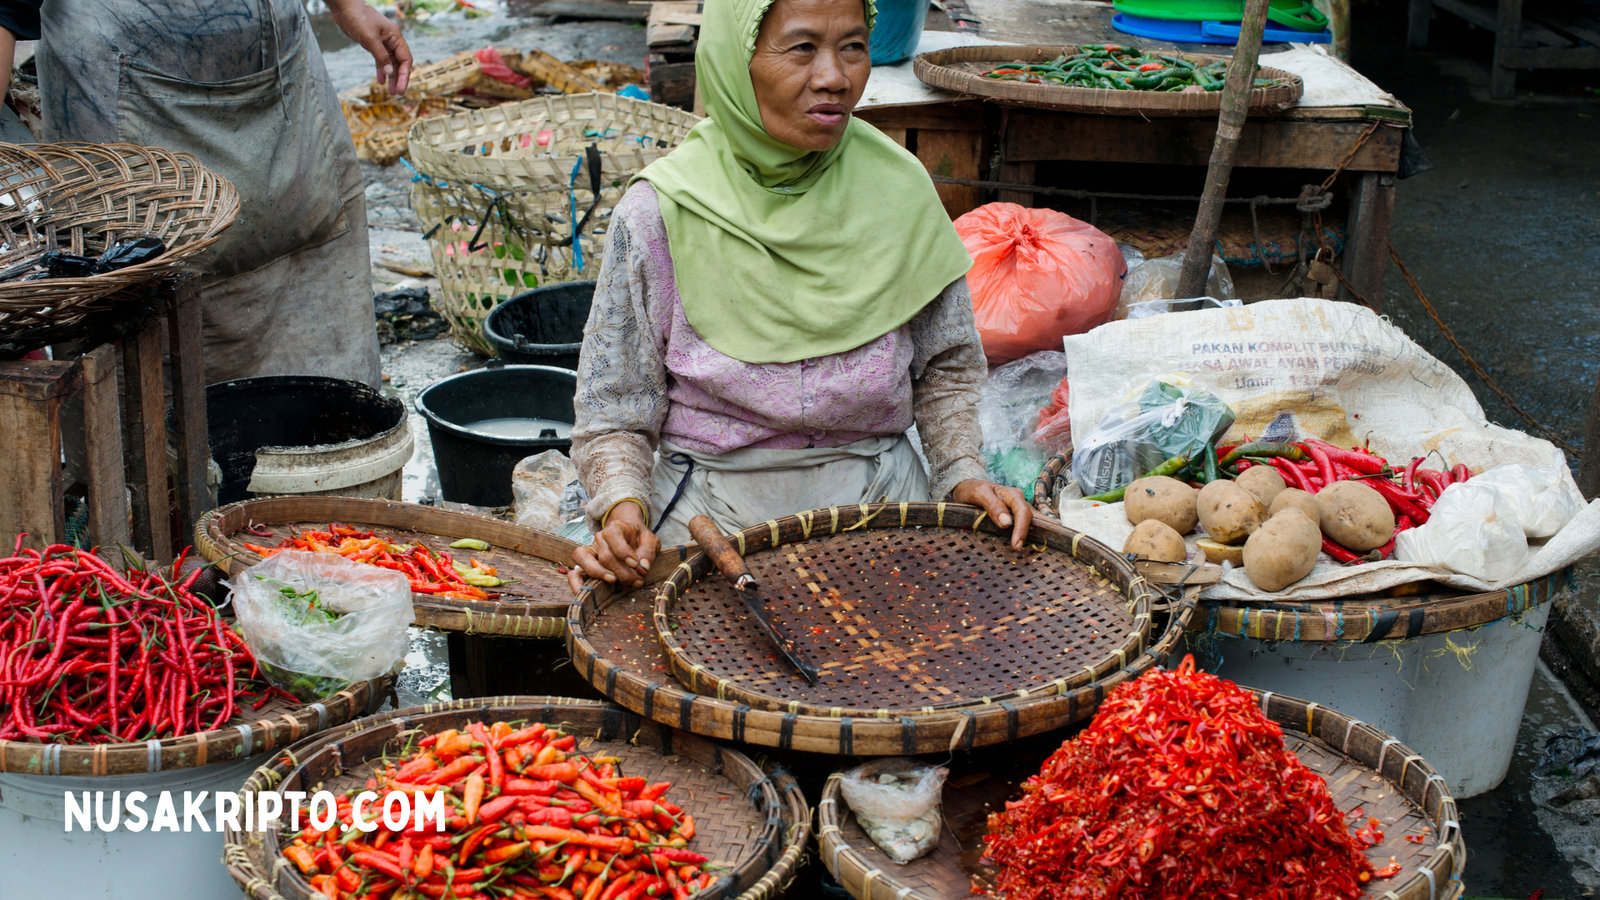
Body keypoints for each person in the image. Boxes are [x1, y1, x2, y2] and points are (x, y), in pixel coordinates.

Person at [567, 0, 1031, 593]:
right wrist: (621, 508)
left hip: (886, 507)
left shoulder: (900, 190)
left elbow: (946, 369)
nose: (835, 76)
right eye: (803, 47)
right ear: (737, 62)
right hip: (707, 516)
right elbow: (615, 409)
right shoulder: (660, 213)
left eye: (854, 46)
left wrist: (962, 473)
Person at [0, 0, 412, 387]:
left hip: (285, 89)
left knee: (331, 396)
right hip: (128, 92)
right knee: (147, 349)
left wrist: (346, 5)